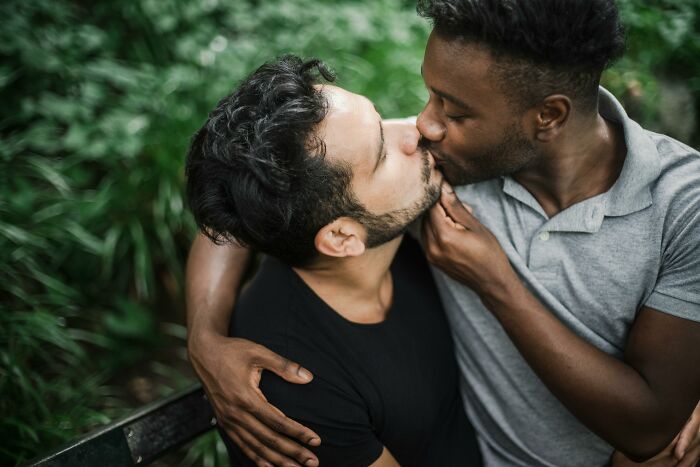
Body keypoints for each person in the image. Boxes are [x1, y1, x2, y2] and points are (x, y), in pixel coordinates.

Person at [185, 1, 700, 466]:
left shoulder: (682, 206)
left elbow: (651, 426)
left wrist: (493, 279)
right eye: (431, 97)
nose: (423, 125)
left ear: (548, 116)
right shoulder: (441, 167)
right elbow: (256, 203)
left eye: (452, 110)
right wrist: (205, 338)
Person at [185, 56, 483, 466]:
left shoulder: (383, 225)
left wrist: (203, 335)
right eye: (382, 154)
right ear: (342, 238)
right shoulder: (294, 387)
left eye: (379, 118)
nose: (416, 130)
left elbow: (231, 216)